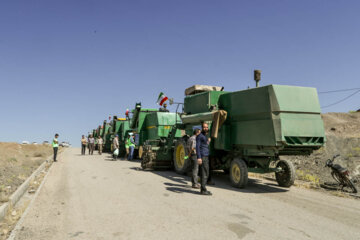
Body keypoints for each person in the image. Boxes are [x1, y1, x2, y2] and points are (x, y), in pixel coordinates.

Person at [196, 123, 212, 195]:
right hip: (203, 156)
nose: (206, 128)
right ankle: (203, 190)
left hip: (206, 156)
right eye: (204, 127)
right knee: (204, 173)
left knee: (206, 173)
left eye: (207, 127)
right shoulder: (199, 136)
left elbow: (204, 145)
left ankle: (204, 188)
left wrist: (208, 141)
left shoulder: (204, 136)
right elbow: (197, 147)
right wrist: (199, 157)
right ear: (202, 128)